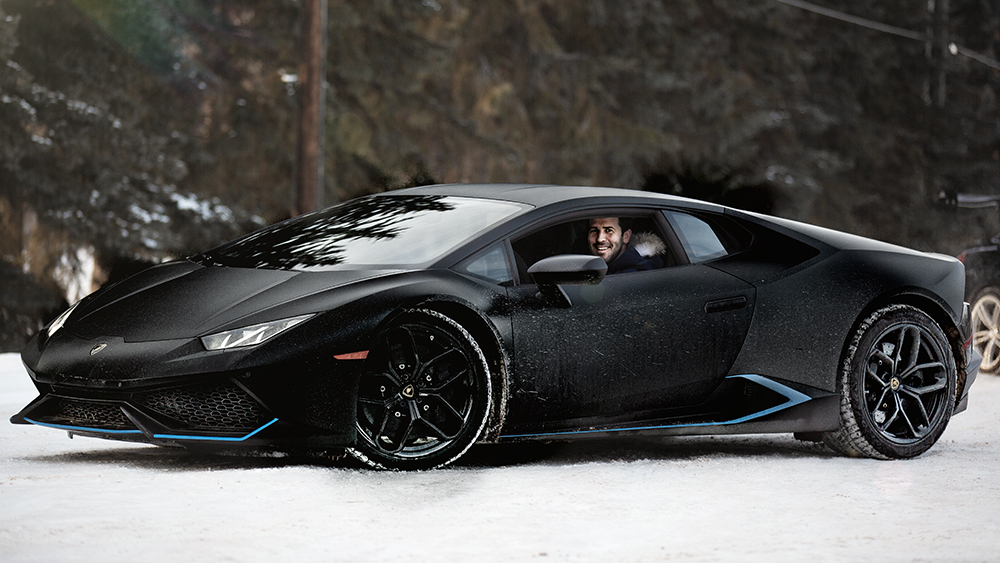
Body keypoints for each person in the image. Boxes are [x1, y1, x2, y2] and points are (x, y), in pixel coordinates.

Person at [588, 217, 665, 274]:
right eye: (594, 231)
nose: (600, 239)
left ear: (626, 236)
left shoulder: (636, 276)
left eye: (609, 230)